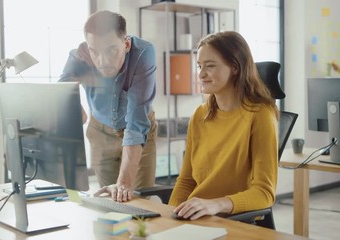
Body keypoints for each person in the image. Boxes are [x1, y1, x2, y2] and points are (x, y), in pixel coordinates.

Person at [169, 31, 279, 220]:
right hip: (196, 219)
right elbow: (186, 182)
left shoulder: (260, 115)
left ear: (235, 67)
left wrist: (215, 204)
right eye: (199, 66)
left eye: (210, 66)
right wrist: (169, 217)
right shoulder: (199, 115)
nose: (201, 74)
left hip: (233, 221)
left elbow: (264, 193)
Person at [59, 10, 157, 202]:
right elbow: (61, 90)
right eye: (95, 51)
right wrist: (75, 109)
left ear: (126, 44)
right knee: (110, 201)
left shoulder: (143, 54)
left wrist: (124, 183)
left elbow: (136, 124)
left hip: (139, 133)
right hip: (100, 133)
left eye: (111, 50)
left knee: (139, 202)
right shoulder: (81, 56)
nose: (102, 62)